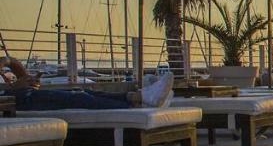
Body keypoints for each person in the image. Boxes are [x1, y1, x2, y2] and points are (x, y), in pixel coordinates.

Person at [1, 56, 173, 110]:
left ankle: (138, 97)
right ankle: (135, 105)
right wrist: (16, 88)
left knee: (81, 91)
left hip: (17, 96)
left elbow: (12, 63)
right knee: (78, 97)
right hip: (9, 102)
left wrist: (7, 62)